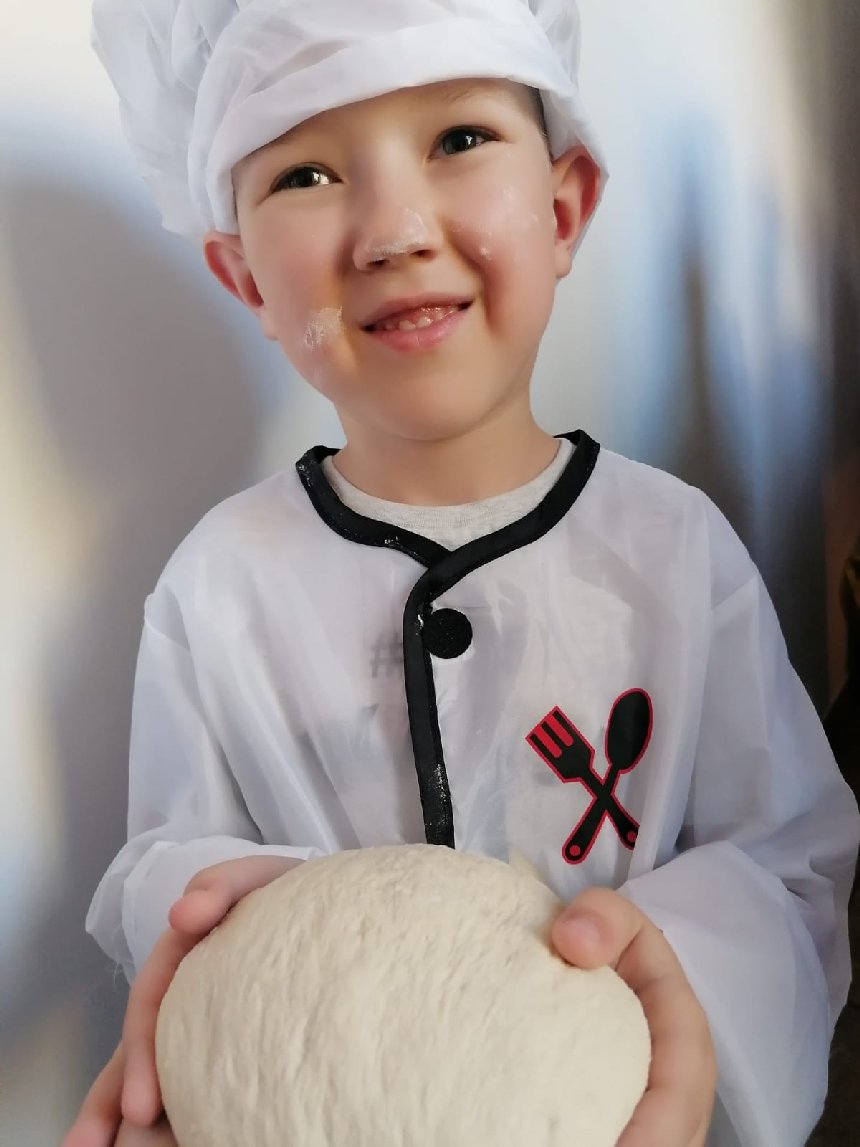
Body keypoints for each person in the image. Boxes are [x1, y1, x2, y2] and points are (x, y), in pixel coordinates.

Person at [64, 2, 859, 1145]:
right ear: (244, 279)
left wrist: (664, 972)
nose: (392, 230)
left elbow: (789, 866)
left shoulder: (675, 551)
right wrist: (223, 907)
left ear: (563, 207)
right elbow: (169, 859)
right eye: (303, 173)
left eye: (458, 138)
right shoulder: (218, 586)